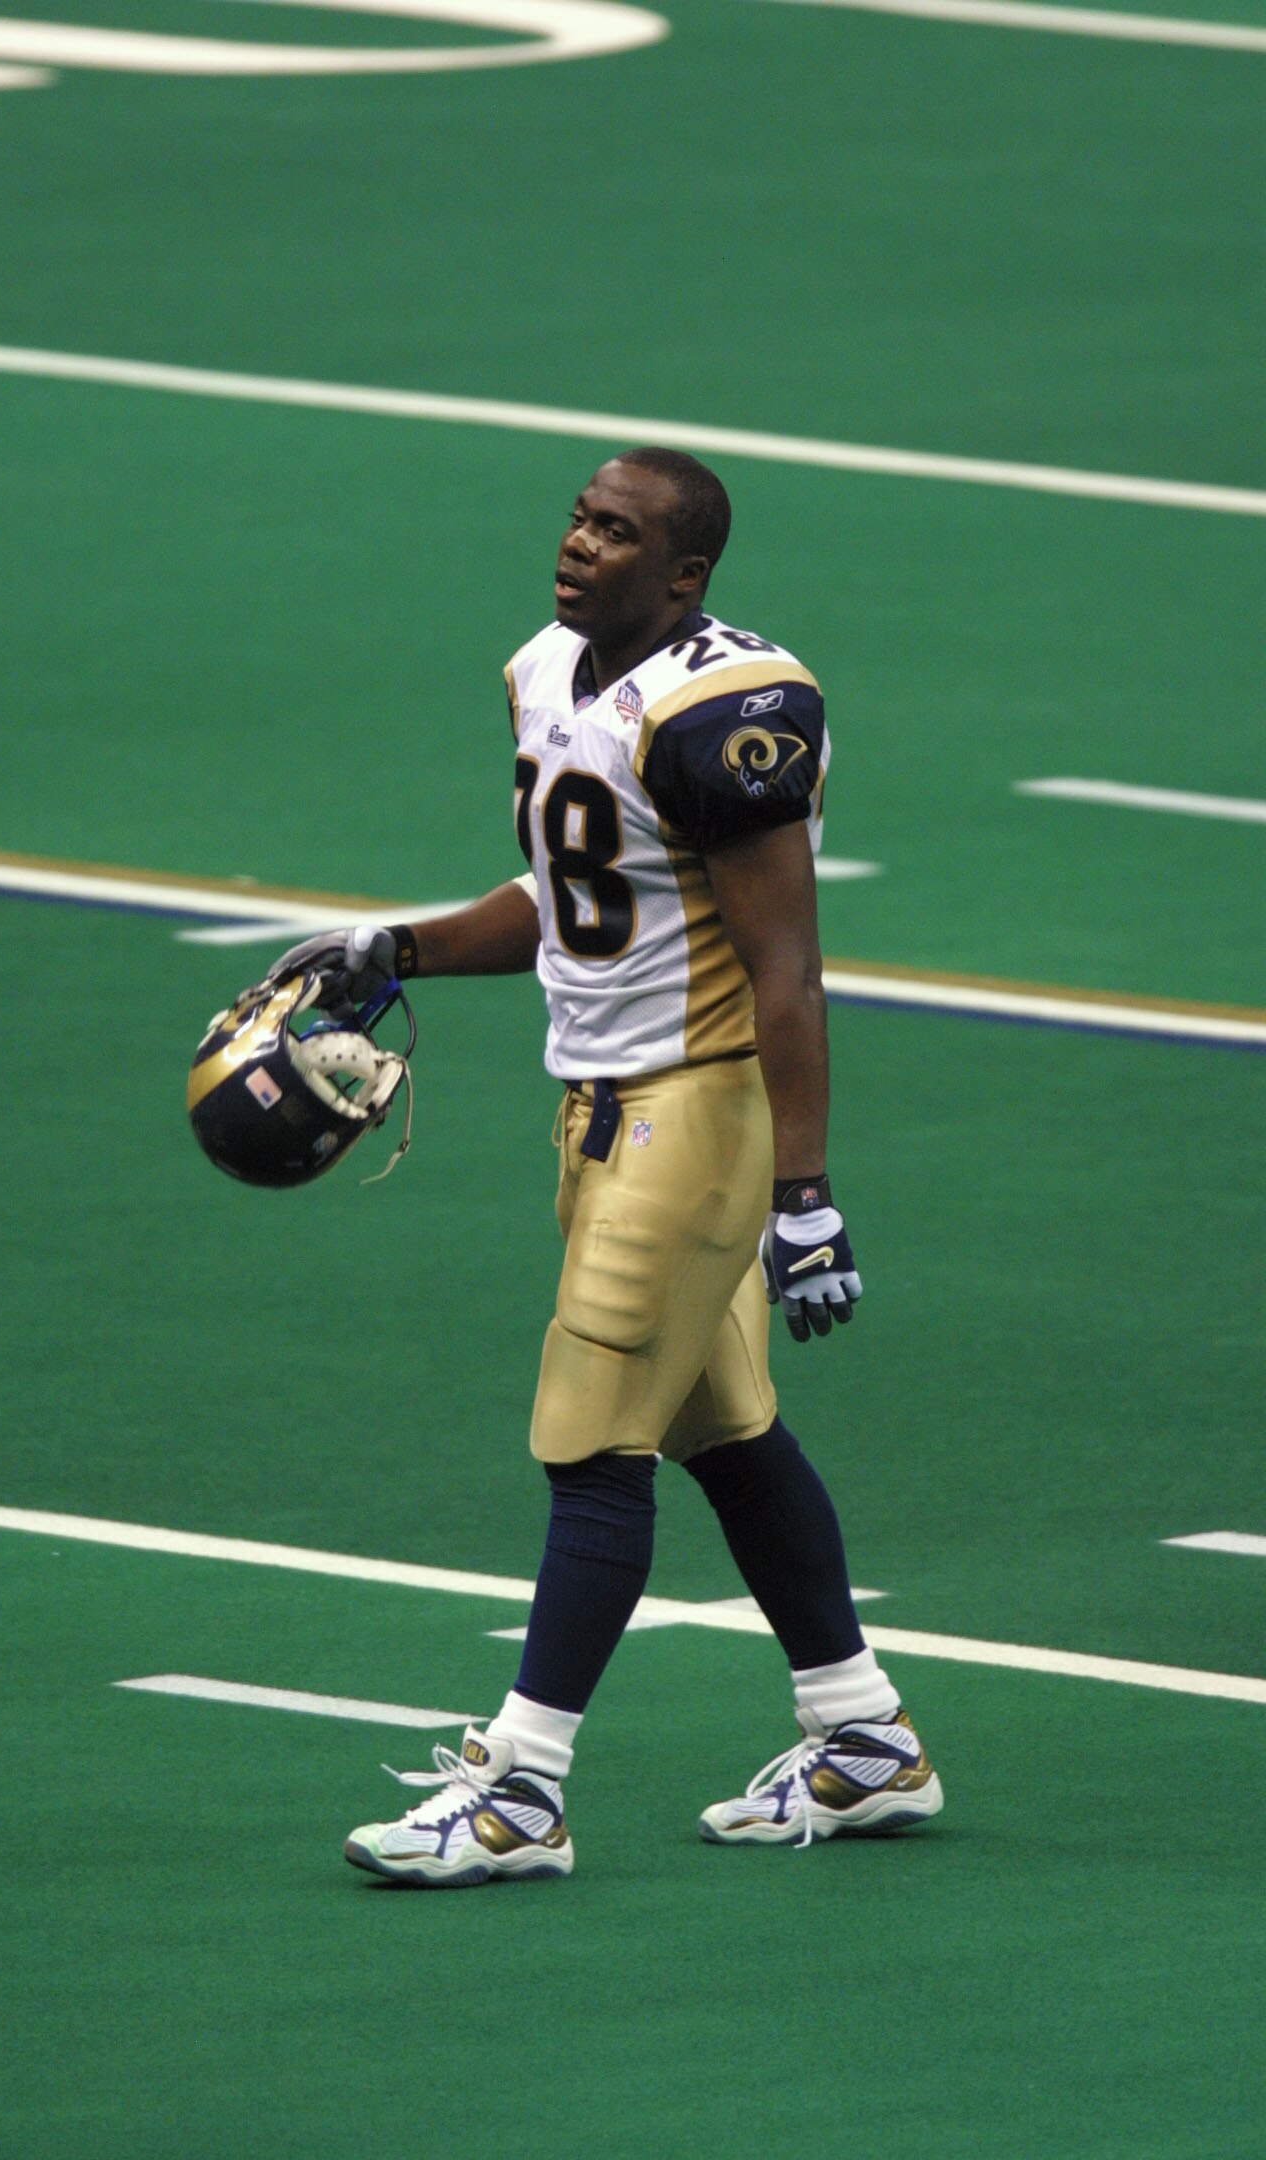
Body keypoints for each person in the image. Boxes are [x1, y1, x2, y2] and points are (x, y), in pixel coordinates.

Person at [268, 448, 943, 1886]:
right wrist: (402, 948)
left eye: (618, 532)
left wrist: (805, 1194)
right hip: (598, 1108)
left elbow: (787, 968)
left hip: (695, 1113)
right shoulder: (542, 670)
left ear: (684, 575)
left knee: (589, 1445)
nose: (580, 543)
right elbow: (576, 895)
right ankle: (864, 1735)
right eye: (580, 518)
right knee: (726, 1433)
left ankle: (520, 1792)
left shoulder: (731, 711)